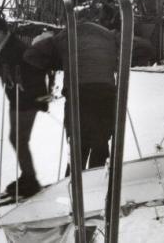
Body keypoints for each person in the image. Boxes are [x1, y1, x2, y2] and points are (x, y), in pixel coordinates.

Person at [23, 17, 154, 170]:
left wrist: (61, 63)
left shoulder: (64, 37)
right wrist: (118, 61)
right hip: (104, 95)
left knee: (77, 148)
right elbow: (146, 48)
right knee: (100, 146)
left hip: (78, 97)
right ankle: (97, 182)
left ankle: (73, 186)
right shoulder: (109, 36)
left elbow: (30, 55)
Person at [0, 16, 48, 197]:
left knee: (18, 139)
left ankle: (30, 180)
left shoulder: (18, 48)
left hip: (27, 98)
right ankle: (28, 176)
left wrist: (39, 97)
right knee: (17, 139)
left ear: (3, 31)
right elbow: (1, 68)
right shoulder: (2, 47)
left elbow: (37, 69)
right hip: (15, 98)